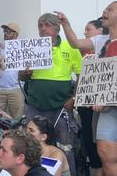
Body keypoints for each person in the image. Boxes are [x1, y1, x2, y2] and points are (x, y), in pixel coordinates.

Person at [57, 4, 117, 175]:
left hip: (107, 104)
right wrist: (65, 24)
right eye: (105, 9)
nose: (104, 12)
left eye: (110, 9)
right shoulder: (100, 41)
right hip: (106, 108)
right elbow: (76, 43)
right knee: (105, 152)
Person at [19, 13, 82, 175]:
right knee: (29, 144)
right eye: (40, 25)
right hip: (35, 105)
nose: (43, 29)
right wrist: (25, 73)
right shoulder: (31, 47)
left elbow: (82, 75)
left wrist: (74, 97)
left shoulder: (71, 47)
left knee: (66, 145)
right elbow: (21, 76)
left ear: (57, 27)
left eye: (47, 25)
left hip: (61, 106)